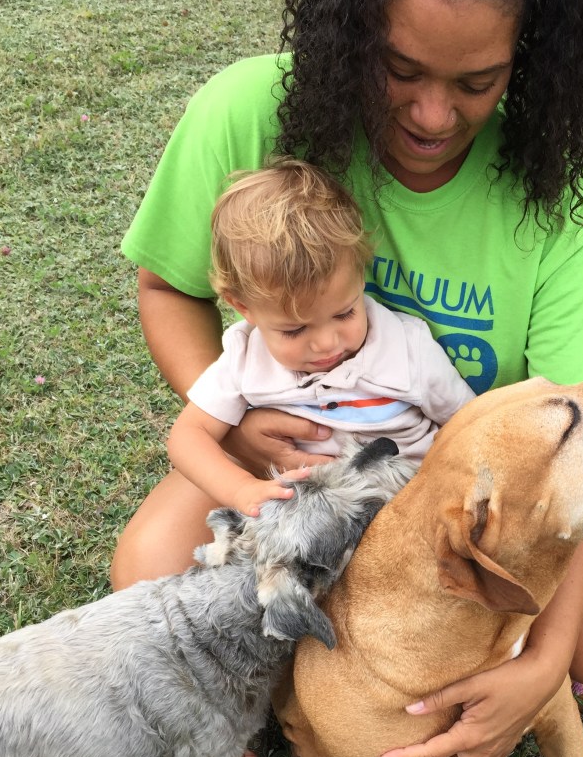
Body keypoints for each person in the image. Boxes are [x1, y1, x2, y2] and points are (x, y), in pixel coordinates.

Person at [115, 0, 583, 757]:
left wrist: (541, 666)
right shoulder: (246, 110)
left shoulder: (562, 208)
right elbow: (168, 289)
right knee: (146, 572)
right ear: (348, 25)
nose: (432, 115)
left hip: (458, 485)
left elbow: (580, 442)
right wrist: (239, 431)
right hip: (292, 469)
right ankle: (276, 697)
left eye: (476, 82)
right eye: (397, 68)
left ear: (531, 58)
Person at [168, 161, 475, 517]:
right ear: (243, 307)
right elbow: (188, 436)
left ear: (360, 275)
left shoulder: (408, 350)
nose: (327, 344)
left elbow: (471, 423)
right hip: (312, 521)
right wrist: (241, 488)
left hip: (411, 510)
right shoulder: (246, 360)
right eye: (295, 330)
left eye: (344, 313)